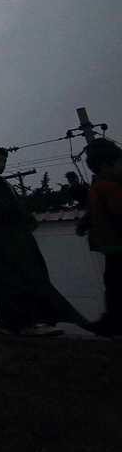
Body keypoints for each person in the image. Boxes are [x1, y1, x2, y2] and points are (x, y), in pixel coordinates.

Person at [0, 145, 89, 336]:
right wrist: (17, 213)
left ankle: (31, 322)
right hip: (2, 243)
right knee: (15, 283)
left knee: (27, 280)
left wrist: (23, 217)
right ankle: (24, 323)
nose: (3, 165)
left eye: (4, 161)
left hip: (13, 240)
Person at [83, 138, 122, 338]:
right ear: (105, 165)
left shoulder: (100, 186)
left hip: (111, 246)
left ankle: (111, 323)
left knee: (114, 286)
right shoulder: (109, 187)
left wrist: (83, 224)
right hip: (115, 245)